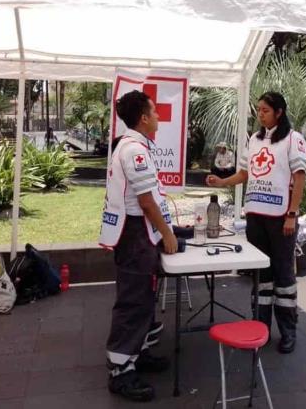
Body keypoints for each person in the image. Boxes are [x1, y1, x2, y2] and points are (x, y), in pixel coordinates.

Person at [206, 92, 306, 354]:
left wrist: (292, 214)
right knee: (261, 275)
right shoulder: (254, 139)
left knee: (284, 275)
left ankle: (288, 331)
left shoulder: (293, 140)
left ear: (279, 112)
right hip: (255, 217)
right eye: (259, 110)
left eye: (265, 110)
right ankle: (259, 326)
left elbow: (299, 178)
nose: (260, 114)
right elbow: (243, 174)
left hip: (280, 218)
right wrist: (221, 181)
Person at [98, 90, 178, 403]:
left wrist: (167, 230)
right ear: (143, 118)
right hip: (135, 235)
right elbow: (146, 201)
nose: (159, 116)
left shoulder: (134, 146)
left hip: (138, 233)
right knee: (133, 302)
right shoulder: (134, 150)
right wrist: (167, 234)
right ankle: (120, 372)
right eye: (155, 112)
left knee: (144, 297)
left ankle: (137, 353)